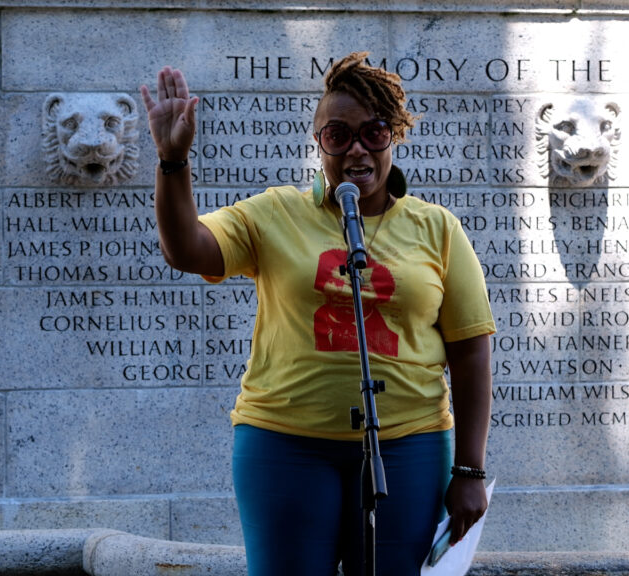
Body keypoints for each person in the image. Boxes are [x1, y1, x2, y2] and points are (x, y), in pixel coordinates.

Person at [140, 51, 496, 576]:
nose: (357, 149)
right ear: (319, 142)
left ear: (393, 137)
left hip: (408, 449)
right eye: (338, 135)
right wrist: (174, 163)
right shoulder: (273, 212)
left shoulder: (437, 228)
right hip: (285, 448)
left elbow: (470, 351)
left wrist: (468, 469)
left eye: (373, 132)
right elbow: (188, 249)